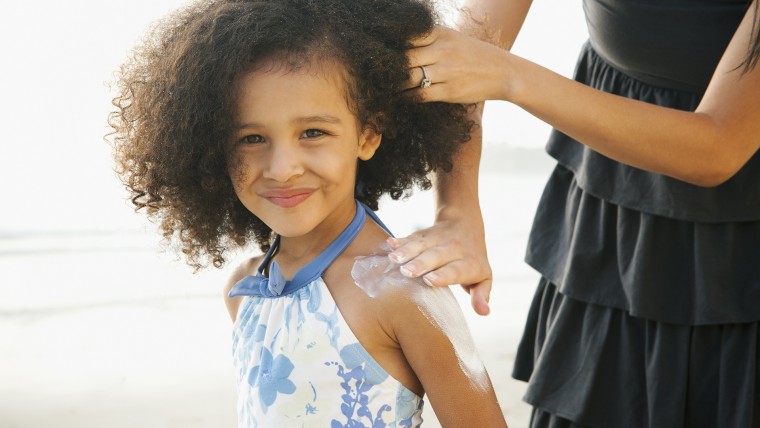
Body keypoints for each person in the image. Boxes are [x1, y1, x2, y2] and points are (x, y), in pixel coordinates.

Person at [108, 0, 510, 426]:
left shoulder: (404, 292)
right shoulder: (245, 290)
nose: (282, 168)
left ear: (368, 134)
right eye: (251, 138)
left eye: (313, 132)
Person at [386, 0, 760, 426]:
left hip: (742, 250)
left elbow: (718, 147)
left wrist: (509, 76)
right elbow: (461, 53)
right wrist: (457, 211)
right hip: (606, 226)